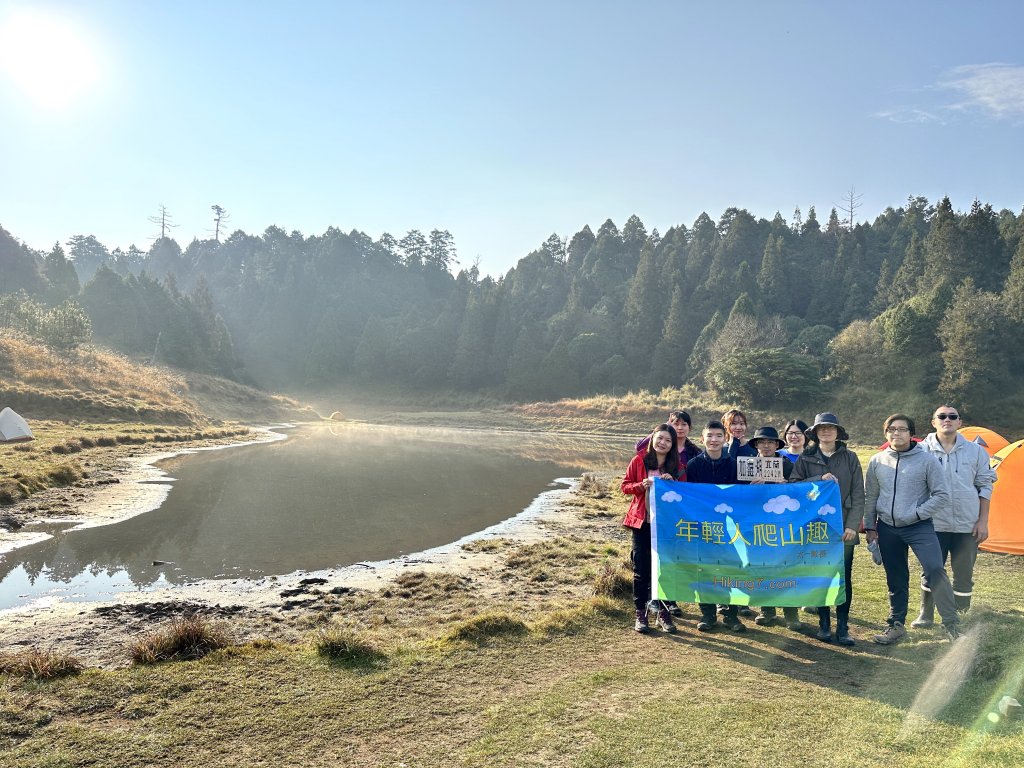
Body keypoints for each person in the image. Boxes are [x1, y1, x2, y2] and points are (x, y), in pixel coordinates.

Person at [864, 414, 960, 643]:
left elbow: (941, 495)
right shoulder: (877, 461)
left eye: (901, 429)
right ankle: (896, 626)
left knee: (935, 569)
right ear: (886, 433)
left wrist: (916, 513)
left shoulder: (927, 460)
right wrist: (870, 528)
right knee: (896, 577)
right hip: (887, 528)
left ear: (911, 433)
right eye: (891, 429)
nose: (896, 433)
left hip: (919, 527)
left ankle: (952, 625)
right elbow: (871, 498)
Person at [913, 406, 996, 626]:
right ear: (933, 422)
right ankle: (926, 613)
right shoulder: (921, 451)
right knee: (931, 569)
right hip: (932, 524)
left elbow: (985, 486)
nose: (947, 420)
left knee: (964, 573)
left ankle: (959, 616)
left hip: (967, 524)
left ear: (960, 422)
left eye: (952, 417)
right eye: (942, 416)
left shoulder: (976, 451)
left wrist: (982, 521)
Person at [790, 413, 863, 645]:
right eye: (822, 428)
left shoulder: (850, 458)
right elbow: (794, 486)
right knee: (819, 576)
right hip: (816, 528)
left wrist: (852, 525)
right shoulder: (806, 457)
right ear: (815, 433)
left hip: (843, 529)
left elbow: (859, 494)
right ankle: (823, 623)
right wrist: (818, 478)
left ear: (838, 432)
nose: (826, 432)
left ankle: (843, 626)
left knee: (844, 578)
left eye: (830, 428)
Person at [621, 424, 685, 634]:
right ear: (652, 439)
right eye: (660, 438)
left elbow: (685, 492)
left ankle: (664, 613)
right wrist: (641, 485)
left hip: (667, 525)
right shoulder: (639, 460)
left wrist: (673, 482)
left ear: (673, 444)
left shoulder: (678, 465)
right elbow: (625, 486)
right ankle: (641, 613)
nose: (663, 443)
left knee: (665, 568)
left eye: (668, 440)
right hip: (642, 523)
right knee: (641, 570)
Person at [685, 420, 746, 633]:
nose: (714, 440)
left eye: (718, 436)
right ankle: (707, 614)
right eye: (709, 436)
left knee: (731, 567)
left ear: (725, 439)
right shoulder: (693, 465)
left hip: (729, 527)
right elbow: (687, 496)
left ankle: (731, 615)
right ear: (702, 439)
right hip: (702, 527)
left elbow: (743, 496)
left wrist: (755, 488)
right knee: (704, 569)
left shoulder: (734, 465)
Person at [744, 426, 802, 631]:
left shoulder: (787, 465)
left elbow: (800, 490)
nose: (766, 445)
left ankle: (791, 613)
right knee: (761, 565)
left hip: (784, 524)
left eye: (770, 442)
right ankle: (766, 610)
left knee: (786, 566)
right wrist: (749, 489)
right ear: (756, 445)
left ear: (777, 445)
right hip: (757, 525)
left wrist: (786, 484)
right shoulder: (747, 465)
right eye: (762, 442)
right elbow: (737, 496)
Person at [635, 409, 702, 466]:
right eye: (676, 424)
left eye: (684, 424)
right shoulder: (662, 446)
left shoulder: (695, 452)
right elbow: (639, 447)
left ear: (689, 428)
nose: (680, 428)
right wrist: (665, 426)